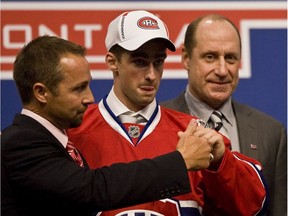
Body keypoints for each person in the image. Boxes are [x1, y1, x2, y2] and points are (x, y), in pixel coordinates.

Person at [68, 10, 268, 216]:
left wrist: (221, 162)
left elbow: (253, 206)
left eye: (159, 61)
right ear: (112, 61)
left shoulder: (193, 133)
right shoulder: (73, 132)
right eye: (140, 62)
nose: (151, 75)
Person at [1, 35, 226, 216]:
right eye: (78, 89)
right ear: (41, 92)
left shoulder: (51, 140)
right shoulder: (20, 143)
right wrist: (180, 161)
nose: (89, 98)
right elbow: (92, 189)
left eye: (158, 61)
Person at [160, 14, 287, 216]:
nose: (222, 70)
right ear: (186, 58)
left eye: (230, 58)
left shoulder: (271, 132)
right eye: (210, 57)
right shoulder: (157, 123)